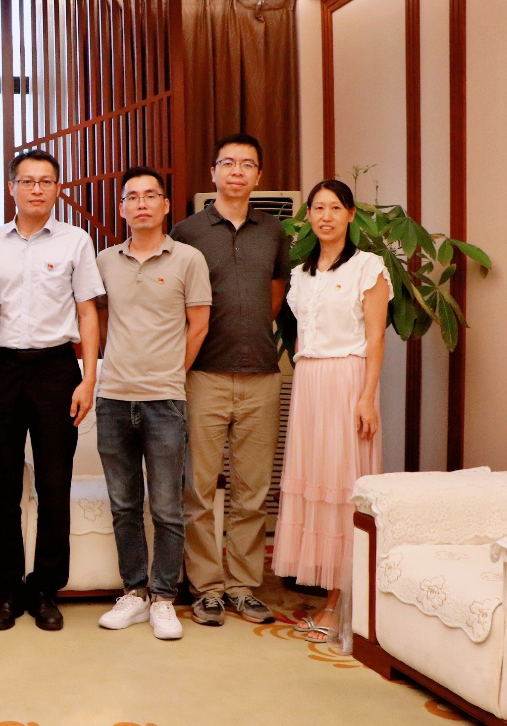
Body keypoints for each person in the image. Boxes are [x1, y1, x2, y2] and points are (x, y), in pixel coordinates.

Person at [0, 149, 104, 631]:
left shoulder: (76, 241)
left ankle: (47, 588)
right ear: (11, 188)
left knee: (53, 485)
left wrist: (88, 378)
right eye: (26, 181)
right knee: (4, 486)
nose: (36, 189)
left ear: (57, 189)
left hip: (56, 370)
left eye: (45, 181)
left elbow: (87, 311)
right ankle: (7, 589)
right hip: (1, 369)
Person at [170, 133, 290, 627]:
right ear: (213, 172)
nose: (237, 172)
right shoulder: (186, 231)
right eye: (228, 163)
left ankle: (241, 586)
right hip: (203, 374)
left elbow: (275, 294)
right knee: (198, 489)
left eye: (247, 164)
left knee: (251, 490)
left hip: (261, 373)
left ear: (259, 175)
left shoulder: (273, 232)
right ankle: (206, 588)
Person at [95, 166, 211, 641]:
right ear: (122, 208)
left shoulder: (188, 259)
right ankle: (134, 592)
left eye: (150, 196)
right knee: (124, 504)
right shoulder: (104, 260)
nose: (141, 203)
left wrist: (171, 374)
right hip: (113, 398)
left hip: (165, 400)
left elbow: (199, 325)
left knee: (166, 505)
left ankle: (164, 597)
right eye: (132, 197)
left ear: (165, 205)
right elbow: (98, 320)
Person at [273, 179, 389, 649]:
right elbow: (303, 335)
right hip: (309, 383)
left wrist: (367, 397)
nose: (326, 216)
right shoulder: (300, 275)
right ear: (308, 216)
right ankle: (327, 592)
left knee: (344, 487)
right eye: (318, 208)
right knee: (314, 483)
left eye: (335, 208)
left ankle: (340, 603)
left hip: (348, 380)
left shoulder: (368, 267)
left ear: (351, 214)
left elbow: (376, 337)